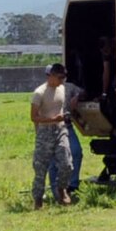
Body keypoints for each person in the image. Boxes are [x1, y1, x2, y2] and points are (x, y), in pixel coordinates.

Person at [28, 62, 75, 210]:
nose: (62, 80)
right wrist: (52, 120)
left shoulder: (61, 89)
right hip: (45, 132)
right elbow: (34, 117)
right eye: (60, 77)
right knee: (40, 168)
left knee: (67, 164)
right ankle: (38, 199)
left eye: (64, 77)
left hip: (60, 130)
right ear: (52, 76)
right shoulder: (39, 93)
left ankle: (61, 189)